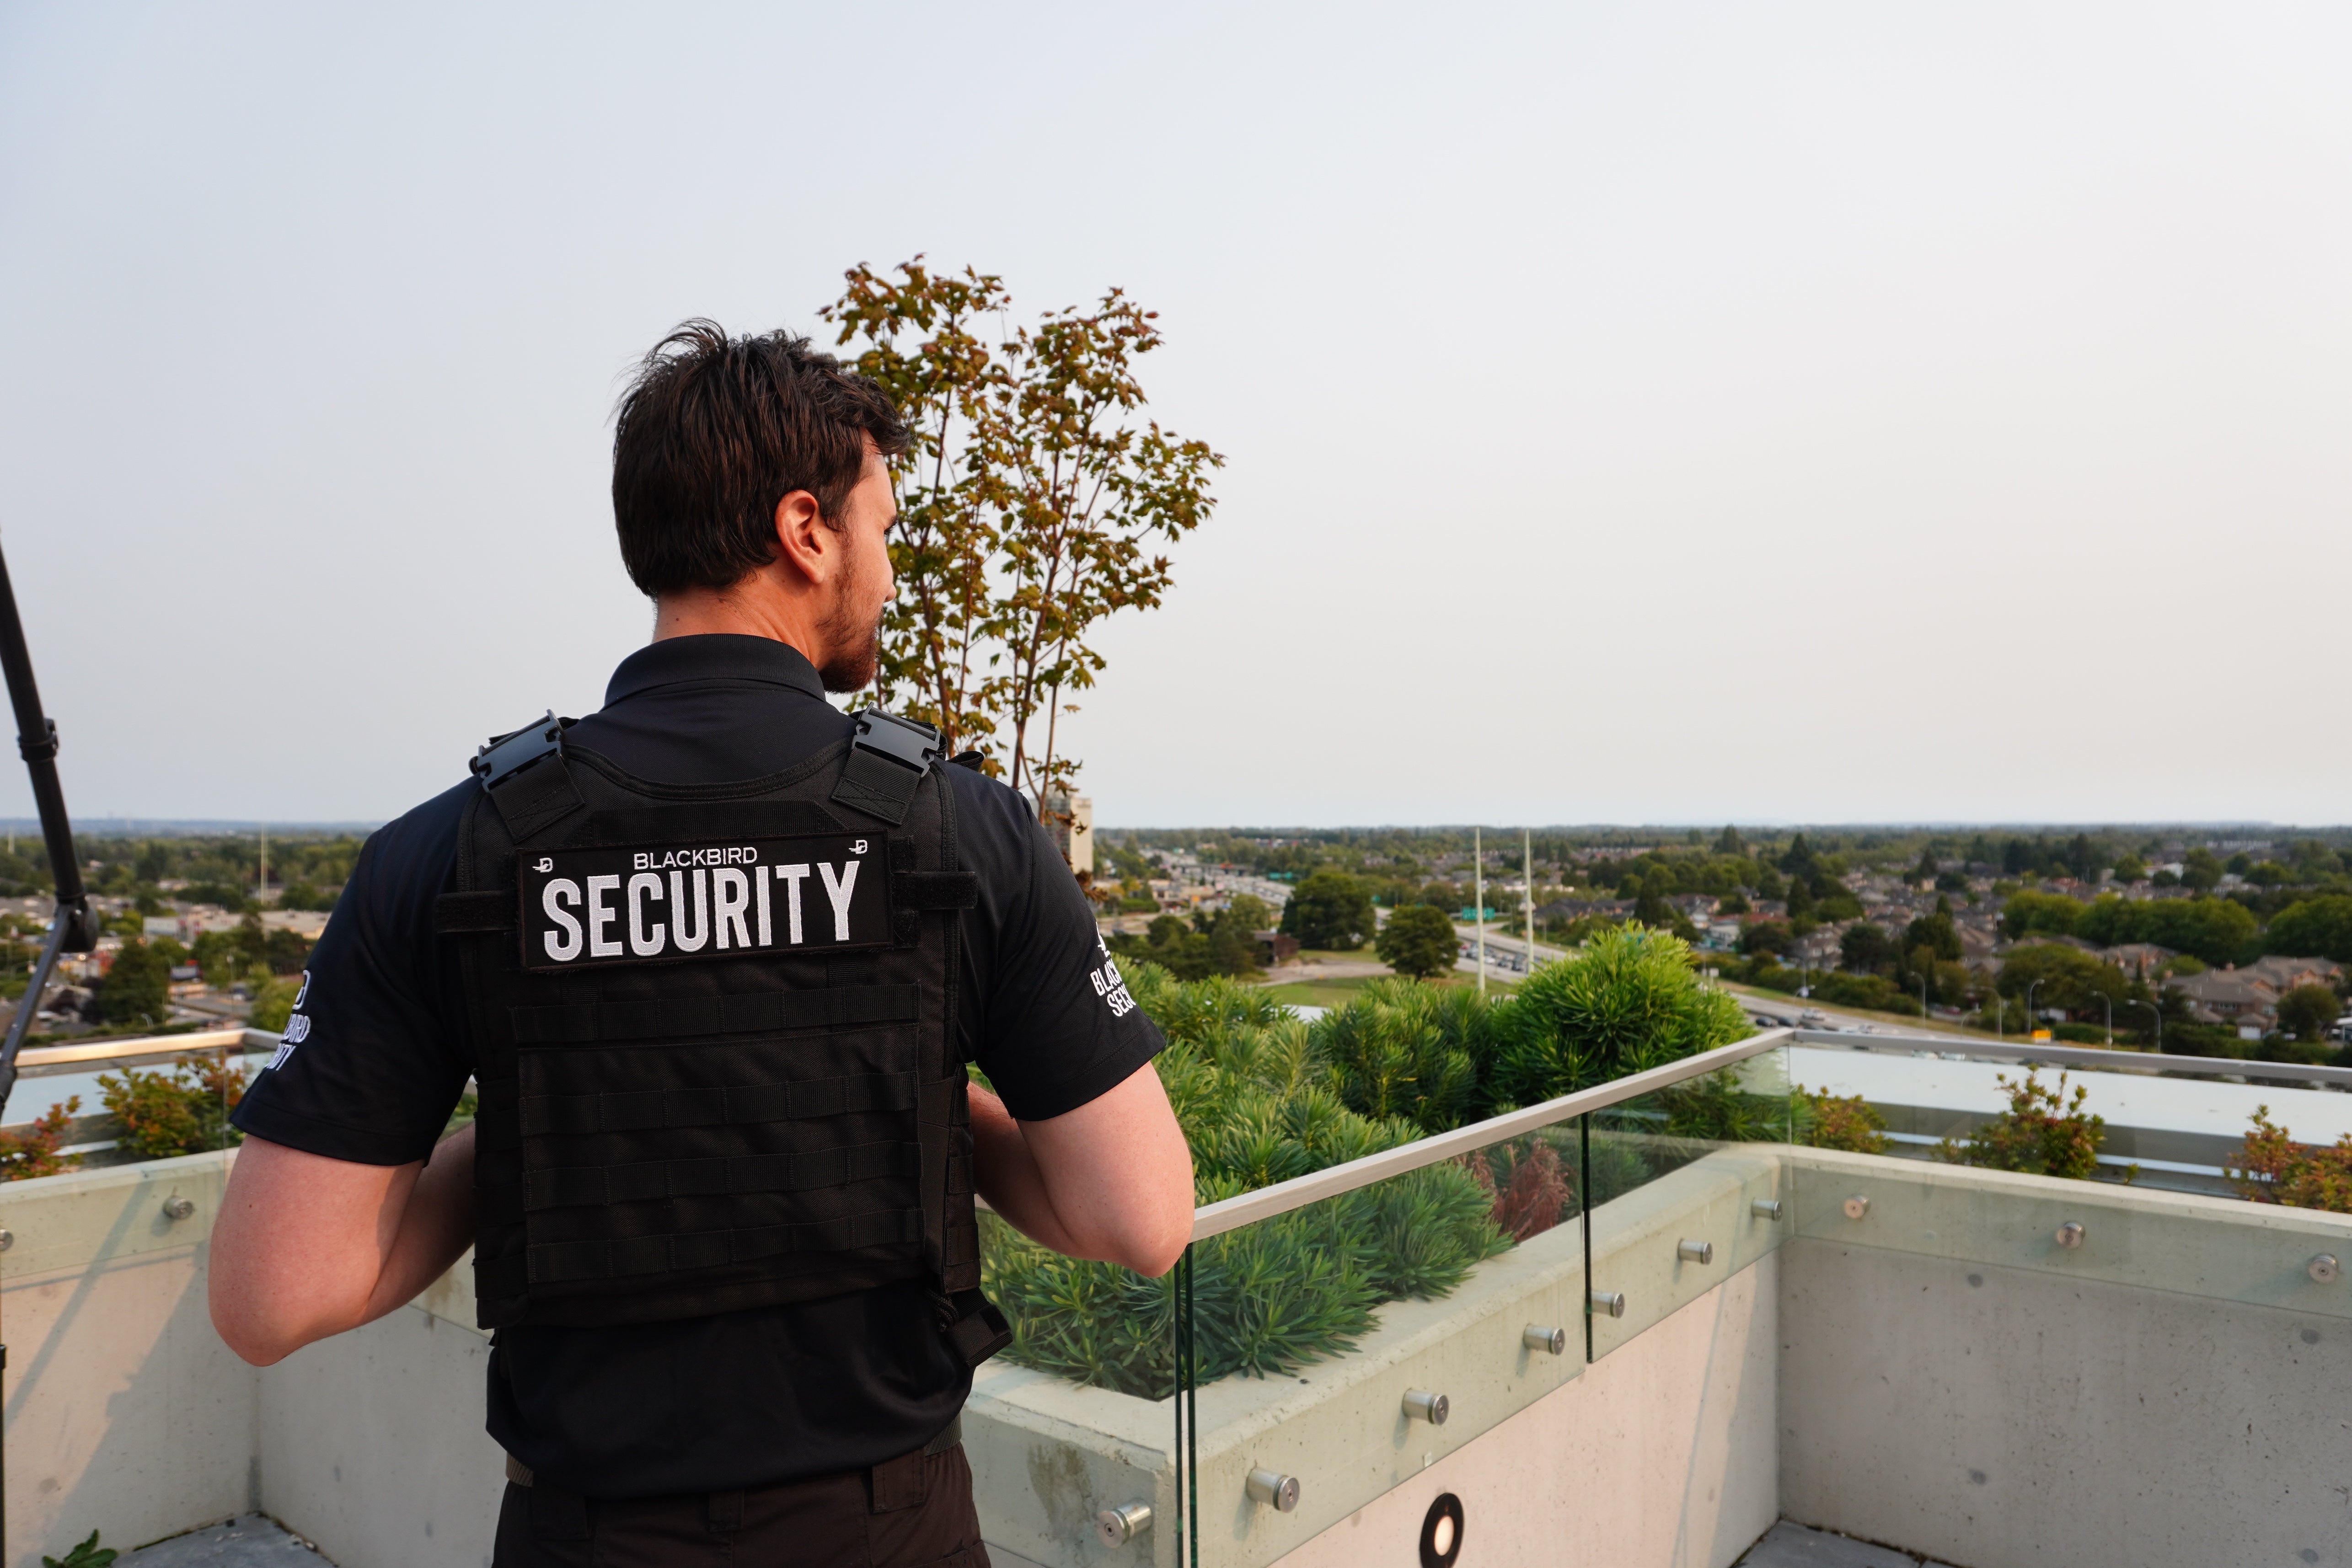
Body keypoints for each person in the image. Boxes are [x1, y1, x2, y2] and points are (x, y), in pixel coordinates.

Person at [208, 320, 1195, 1567]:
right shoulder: (963, 831)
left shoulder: (454, 852)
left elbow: (272, 1296)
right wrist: (911, 1105)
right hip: (885, 1537)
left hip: (585, 1539)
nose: (887, 572)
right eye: (882, 529)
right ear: (806, 531)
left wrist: (546, 1115)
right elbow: (1143, 1217)